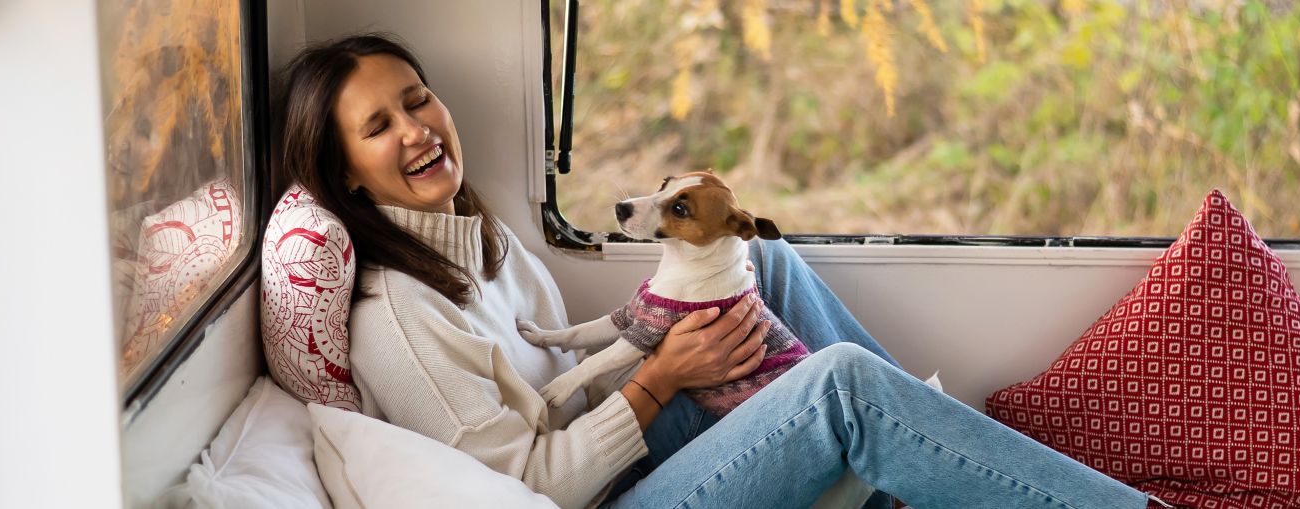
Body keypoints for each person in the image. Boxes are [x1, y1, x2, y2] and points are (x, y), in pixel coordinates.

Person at [275, 33, 1148, 509]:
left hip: (620, 447)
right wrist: (658, 381)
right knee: (837, 385)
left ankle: (910, 472)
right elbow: (530, 485)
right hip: (594, 499)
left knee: (755, 259)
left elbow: (581, 382)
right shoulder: (399, 317)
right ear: (345, 169)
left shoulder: (479, 238)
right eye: (379, 125)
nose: (416, 128)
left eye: (416, 99)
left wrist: (661, 366)